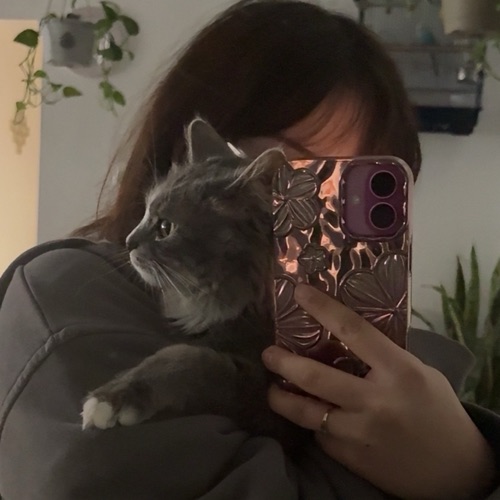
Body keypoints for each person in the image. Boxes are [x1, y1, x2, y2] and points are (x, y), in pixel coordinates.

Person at [0, 1, 499, 499]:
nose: (316, 216)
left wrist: (476, 464)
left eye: (345, 189)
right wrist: (455, 479)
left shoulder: (395, 366)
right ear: (196, 161)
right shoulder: (68, 298)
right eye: (291, 176)